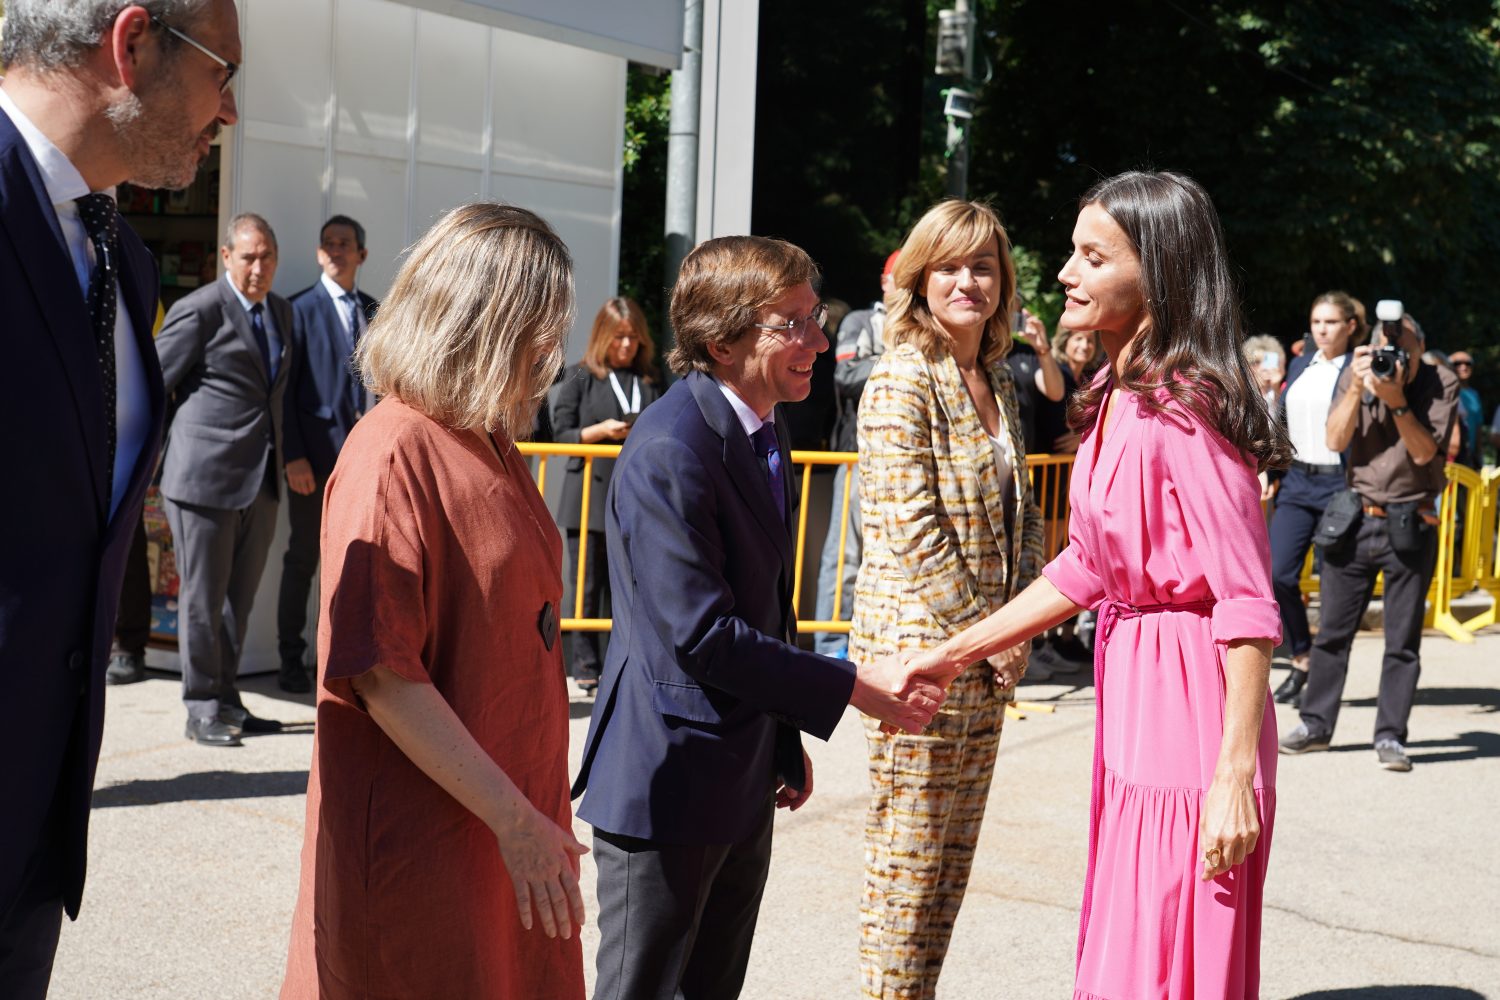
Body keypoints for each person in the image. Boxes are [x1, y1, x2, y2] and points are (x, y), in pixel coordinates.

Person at [907, 171, 1290, 998]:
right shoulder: (1115, 390)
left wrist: (1233, 777)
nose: (1066, 273)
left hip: (1194, 701)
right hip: (1137, 689)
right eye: (1072, 252)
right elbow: (1087, 565)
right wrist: (954, 653)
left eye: (1092, 256)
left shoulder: (1185, 406)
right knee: (1132, 937)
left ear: (1159, 271)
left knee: (1171, 947)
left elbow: (1247, 603)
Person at [571, 235, 944, 1000]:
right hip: (668, 780)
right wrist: (852, 686)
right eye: (794, 324)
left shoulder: (764, 425)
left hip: (738, 774)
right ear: (721, 341)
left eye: (816, 318)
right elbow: (704, 634)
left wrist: (779, 741)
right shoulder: (672, 448)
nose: (820, 342)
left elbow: (764, 607)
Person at [280, 203, 587, 998]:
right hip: (431, 845)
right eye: (540, 328)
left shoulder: (482, 435)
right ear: (482, 323)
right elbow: (382, 675)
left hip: (498, 832)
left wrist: (524, 820)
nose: (551, 351)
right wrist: (515, 821)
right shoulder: (394, 449)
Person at [0, 0, 238, 991]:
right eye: (224, 71)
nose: (230, 110)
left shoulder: (121, 257)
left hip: (34, 837)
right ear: (132, 42)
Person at [850, 200, 1044, 999]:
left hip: (985, 660)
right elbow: (913, 531)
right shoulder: (902, 376)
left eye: (983, 267)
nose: (968, 282)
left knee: (947, 872)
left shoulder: (998, 378)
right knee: (907, 868)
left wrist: (1022, 622)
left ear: (1003, 282)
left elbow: (1026, 519)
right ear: (920, 280)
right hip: (918, 663)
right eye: (950, 267)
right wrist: (992, 637)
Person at [1280, 311, 1460, 772]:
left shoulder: (1440, 381)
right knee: (1332, 634)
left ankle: (1390, 737)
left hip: (1411, 519)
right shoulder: (1355, 372)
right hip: (1356, 517)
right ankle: (1315, 725)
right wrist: (1357, 387)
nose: (1393, 359)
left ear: (1420, 348)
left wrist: (1397, 402)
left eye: (1403, 350)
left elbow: (1424, 452)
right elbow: (1334, 438)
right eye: (1385, 350)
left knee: (1402, 640)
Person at [156, 213, 292, 747]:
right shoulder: (201, 309)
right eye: (248, 257)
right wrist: (155, 461)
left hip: (261, 480)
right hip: (201, 480)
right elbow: (154, 383)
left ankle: (228, 699)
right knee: (202, 601)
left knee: (238, 602)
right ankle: (201, 707)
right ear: (227, 257)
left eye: (267, 257)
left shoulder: (281, 312)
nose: (258, 267)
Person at [276, 214, 380, 694]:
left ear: (361, 254)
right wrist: (292, 456)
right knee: (303, 558)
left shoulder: (375, 311)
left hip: (367, 465)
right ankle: (290, 659)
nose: (336, 251)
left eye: (345, 244)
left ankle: (345, 659)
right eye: (328, 244)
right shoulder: (297, 310)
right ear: (319, 253)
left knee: (360, 563)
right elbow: (284, 392)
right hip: (314, 464)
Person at [548, 297, 661, 693]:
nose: (627, 345)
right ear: (603, 336)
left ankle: (623, 661)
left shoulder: (650, 380)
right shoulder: (581, 376)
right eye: (619, 337)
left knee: (629, 583)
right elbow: (559, 433)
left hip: (636, 493)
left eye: (633, 337)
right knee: (587, 582)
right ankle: (585, 665)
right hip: (589, 494)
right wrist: (599, 432)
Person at [1266, 292, 1363, 707]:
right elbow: (1284, 420)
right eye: (1316, 322)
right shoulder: (1302, 364)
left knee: (1333, 585)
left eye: (1331, 322)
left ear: (1350, 327)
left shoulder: (1357, 367)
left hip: (1340, 484)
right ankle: (1302, 656)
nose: (1322, 329)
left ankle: (1322, 676)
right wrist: (1271, 471)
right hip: (1298, 481)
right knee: (1277, 574)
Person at [814, 251, 898, 658]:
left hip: (907, 456)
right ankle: (831, 647)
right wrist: (904, 361)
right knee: (845, 554)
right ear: (885, 282)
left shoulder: (928, 325)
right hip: (857, 455)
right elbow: (845, 375)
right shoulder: (861, 321)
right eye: (899, 276)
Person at [1026, 325, 1105, 674]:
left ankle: (1061, 638)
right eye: (1078, 338)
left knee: (1065, 554)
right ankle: (1038, 641)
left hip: (1069, 480)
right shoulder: (1054, 371)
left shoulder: (1088, 378)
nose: (1084, 345)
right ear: (1064, 341)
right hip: (1047, 479)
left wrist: (1081, 438)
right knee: (1046, 560)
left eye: (1089, 340)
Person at [1448, 349, 1483, 468]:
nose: (1463, 367)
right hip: (1450, 456)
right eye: (1457, 363)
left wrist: (1479, 455)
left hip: (1468, 456)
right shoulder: (1445, 392)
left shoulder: (1474, 395)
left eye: (1468, 363)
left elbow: (1478, 427)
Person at [1243, 334, 1287, 417]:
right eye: (1256, 362)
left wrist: (1276, 387)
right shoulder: (1240, 391)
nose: (1263, 368)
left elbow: (1281, 418)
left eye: (1267, 362)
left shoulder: (1285, 389)